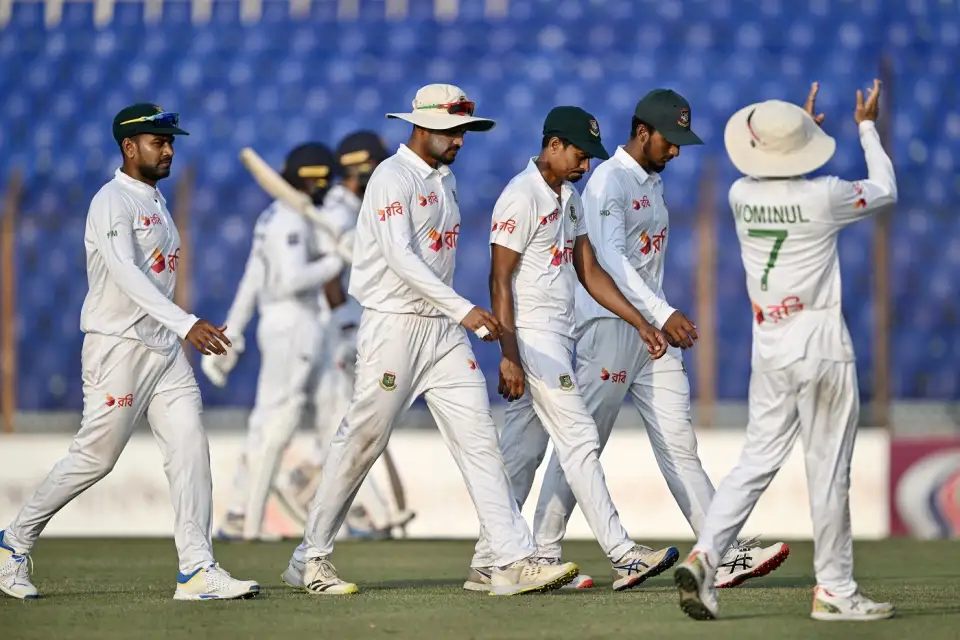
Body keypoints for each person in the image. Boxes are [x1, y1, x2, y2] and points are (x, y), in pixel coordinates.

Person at [281, 84, 578, 596]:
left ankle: (506, 559)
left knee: (479, 439)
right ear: (422, 126)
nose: (461, 141)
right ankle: (309, 559)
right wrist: (464, 310)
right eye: (453, 131)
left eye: (465, 131)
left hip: (440, 332)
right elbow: (400, 258)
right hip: (394, 326)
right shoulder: (390, 177)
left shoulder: (445, 180)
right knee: (362, 442)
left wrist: (453, 315)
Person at [526, 90, 787, 590]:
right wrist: (663, 312)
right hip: (610, 330)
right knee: (584, 444)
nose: (677, 152)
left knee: (680, 447)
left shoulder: (651, 182)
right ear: (642, 131)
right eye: (671, 140)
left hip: (651, 339)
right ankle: (541, 551)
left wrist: (658, 317)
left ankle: (720, 551)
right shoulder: (608, 180)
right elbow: (611, 259)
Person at [0, 104, 259, 601]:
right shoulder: (110, 201)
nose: (169, 150)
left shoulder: (156, 200)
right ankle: (13, 543)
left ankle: (197, 570)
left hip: (161, 351)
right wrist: (187, 323)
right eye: (159, 142)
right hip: (117, 348)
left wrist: (176, 330)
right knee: (95, 459)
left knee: (189, 447)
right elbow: (125, 272)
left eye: (170, 141)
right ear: (128, 146)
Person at [675, 80, 897, 621]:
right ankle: (835, 592)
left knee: (753, 462)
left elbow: (772, 174)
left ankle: (707, 555)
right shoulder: (824, 195)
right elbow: (885, 188)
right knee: (827, 471)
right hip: (819, 345)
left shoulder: (739, 195)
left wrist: (798, 135)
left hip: (769, 347)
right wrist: (866, 126)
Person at [468, 106, 677, 593]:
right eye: (580, 156)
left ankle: (488, 564)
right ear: (553, 145)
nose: (585, 167)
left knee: (522, 452)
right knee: (580, 438)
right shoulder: (519, 197)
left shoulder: (570, 198)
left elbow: (591, 272)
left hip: (561, 335)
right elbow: (498, 281)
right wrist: (509, 354)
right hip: (534, 339)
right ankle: (623, 556)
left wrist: (639, 321)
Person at [275, 132, 415, 539]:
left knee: (356, 417)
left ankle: (308, 479)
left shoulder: (353, 204)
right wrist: (342, 323)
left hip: (357, 321)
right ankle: (359, 511)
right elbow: (329, 272)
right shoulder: (335, 210)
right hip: (338, 328)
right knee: (349, 417)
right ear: (362, 167)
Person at [204, 144, 346, 541]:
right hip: (293, 323)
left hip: (281, 323)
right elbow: (288, 280)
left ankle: (241, 510)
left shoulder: (274, 216)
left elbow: (252, 279)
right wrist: (336, 261)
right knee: (276, 419)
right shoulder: (290, 220)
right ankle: (243, 513)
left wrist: (232, 332)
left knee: (276, 417)